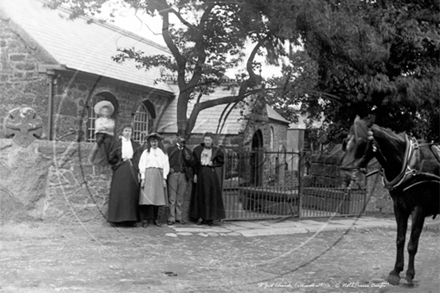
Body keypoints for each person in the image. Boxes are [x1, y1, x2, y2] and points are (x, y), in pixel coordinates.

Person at [107, 125, 142, 226]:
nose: (127, 133)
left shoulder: (136, 145)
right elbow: (111, 158)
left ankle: (131, 219)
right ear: (122, 132)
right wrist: (119, 162)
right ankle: (116, 218)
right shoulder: (117, 144)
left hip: (132, 171)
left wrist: (136, 168)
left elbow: (139, 158)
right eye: (126, 131)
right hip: (120, 170)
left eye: (129, 131)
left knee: (131, 193)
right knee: (119, 193)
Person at [190, 132, 225, 226]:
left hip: (211, 175)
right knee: (201, 195)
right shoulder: (198, 150)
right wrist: (195, 174)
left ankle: (210, 218)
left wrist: (213, 164)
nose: (207, 142)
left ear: (212, 140)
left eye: (209, 140)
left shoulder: (216, 150)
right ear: (203, 140)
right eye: (206, 140)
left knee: (210, 195)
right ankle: (201, 217)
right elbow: (195, 164)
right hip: (201, 174)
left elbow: (221, 162)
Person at [138, 132, 170, 228]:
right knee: (147, 198)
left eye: (155, 141)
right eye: (152, 142)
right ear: (149, 142)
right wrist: (143, 178)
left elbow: (165, 165)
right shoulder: (146, 153)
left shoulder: (162, 153)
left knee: (157, 198)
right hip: (148, 175)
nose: (154, 143)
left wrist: (164, 178)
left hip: (158, 176)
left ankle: (156, 219)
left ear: (158, 142)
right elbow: (142, 165)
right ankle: (145, 219)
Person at [166, 136, 194, 225]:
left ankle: (179, 217)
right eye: (180, 139)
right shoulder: (170, 149)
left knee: (180, 198)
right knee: (172, 198)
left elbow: (191, 162)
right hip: (173, 174)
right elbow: (166, 160)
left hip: (183, 174)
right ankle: (171, 218)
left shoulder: (187, 151)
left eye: (183, 140)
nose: (182, 141)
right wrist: (169, 168)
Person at [89, 100, 115, 165]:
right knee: (99, 141)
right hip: (100, 134)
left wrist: (103, 126)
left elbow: (111, 127)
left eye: (107, 111)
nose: (105, 112)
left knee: (108, 144)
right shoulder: (98, 120)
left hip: (108, 135)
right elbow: (98, 127)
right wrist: (106, 127)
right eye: (104, 111)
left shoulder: (111, 120)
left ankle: (105, 160)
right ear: (101, 112)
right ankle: (91, 158)